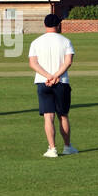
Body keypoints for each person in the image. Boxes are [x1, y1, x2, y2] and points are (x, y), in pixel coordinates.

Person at [28, 13, 77, 157]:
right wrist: (56, 76)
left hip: (42, 82)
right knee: (63, 116)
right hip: (61, 82)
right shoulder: (66, 41)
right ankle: (67, 147)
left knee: (48, 117)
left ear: (45, 25)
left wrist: (47, 76)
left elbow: (33, 63)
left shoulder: (36, 42)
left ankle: (52, 148)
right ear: (58, 25)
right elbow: (68, 62)